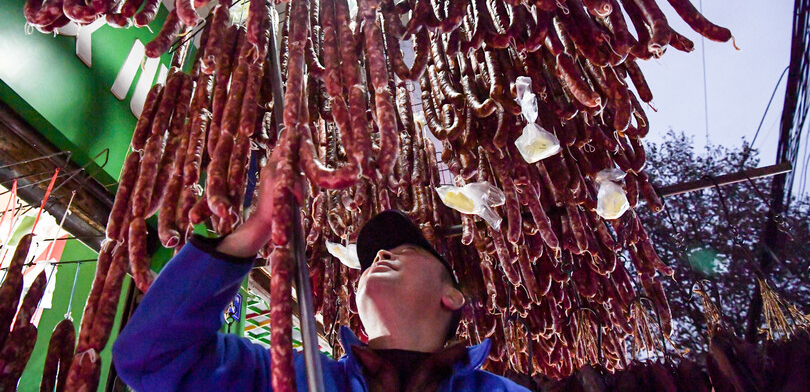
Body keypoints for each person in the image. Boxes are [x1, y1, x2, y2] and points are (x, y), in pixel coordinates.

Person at [112, 154, 530, 391]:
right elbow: (152, 358)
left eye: (402, 249)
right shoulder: (289, 378)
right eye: (370, 261)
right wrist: (257, 228)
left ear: (452, 297)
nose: (381, 254)